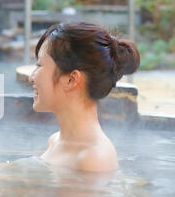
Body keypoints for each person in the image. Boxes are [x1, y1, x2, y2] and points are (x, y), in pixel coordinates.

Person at [29, 22, 140, 172]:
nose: (31, 77)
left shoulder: (93, 159)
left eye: (39, 65)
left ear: (71, 80)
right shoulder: (55, 141)